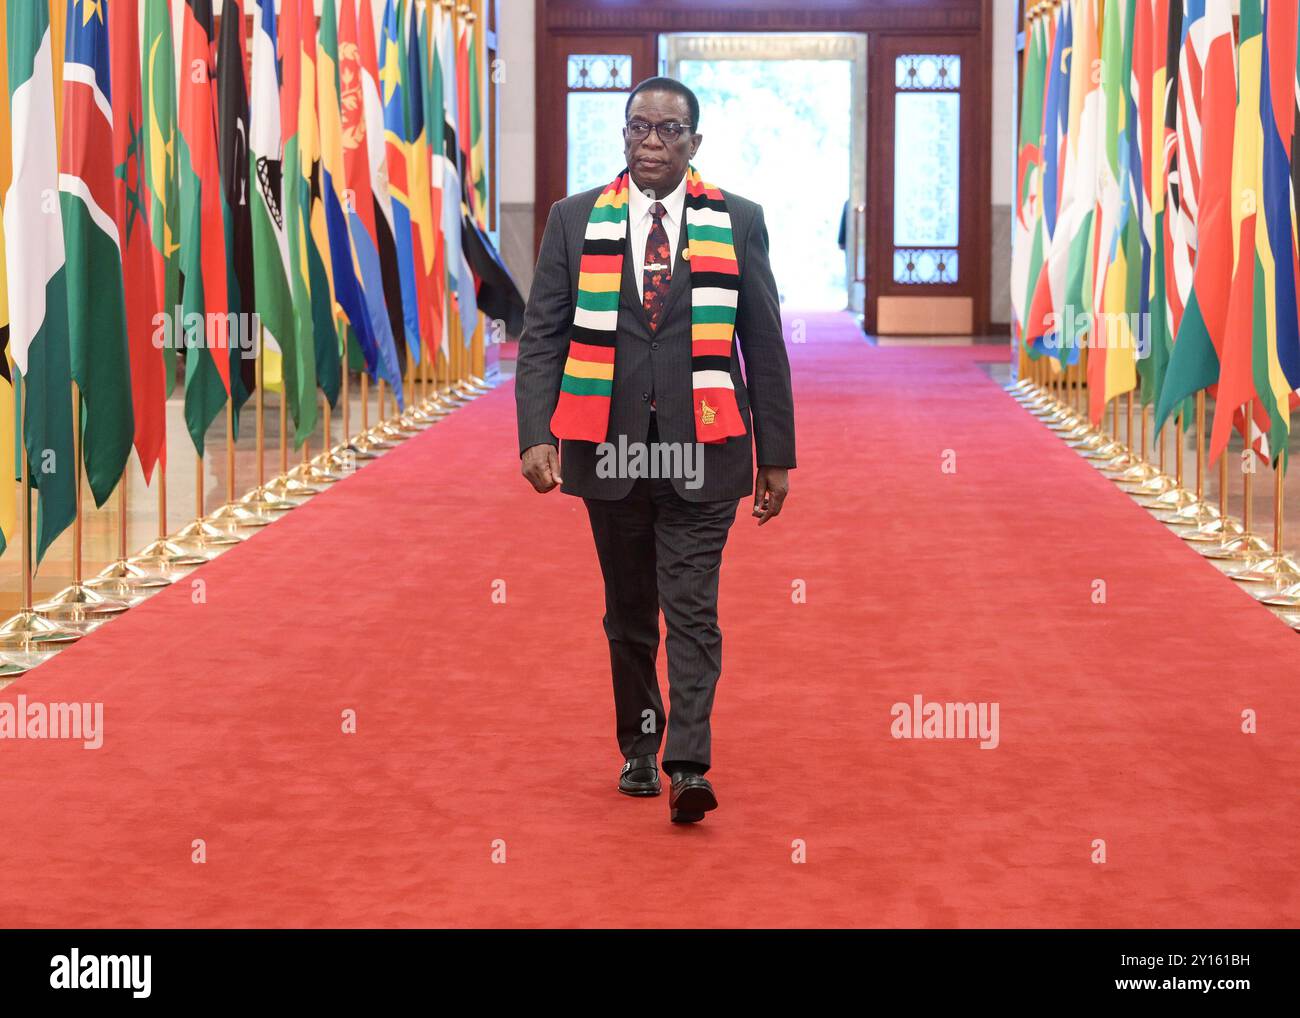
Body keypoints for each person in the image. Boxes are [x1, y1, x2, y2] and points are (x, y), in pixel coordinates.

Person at [514, 76, 796, 824]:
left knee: (693, 609)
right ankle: (641, 746)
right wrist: (537, 433)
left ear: (693, 144)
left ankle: (688, 765)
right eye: (638, 126)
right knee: (631, 611)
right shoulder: (574, 221)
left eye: (668, 130)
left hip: (707, 446)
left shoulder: (738, 221)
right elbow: (542, 332)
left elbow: (763, 345)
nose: (650, 141)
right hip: (610, 451)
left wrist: (777, 454)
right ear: (623, 136)